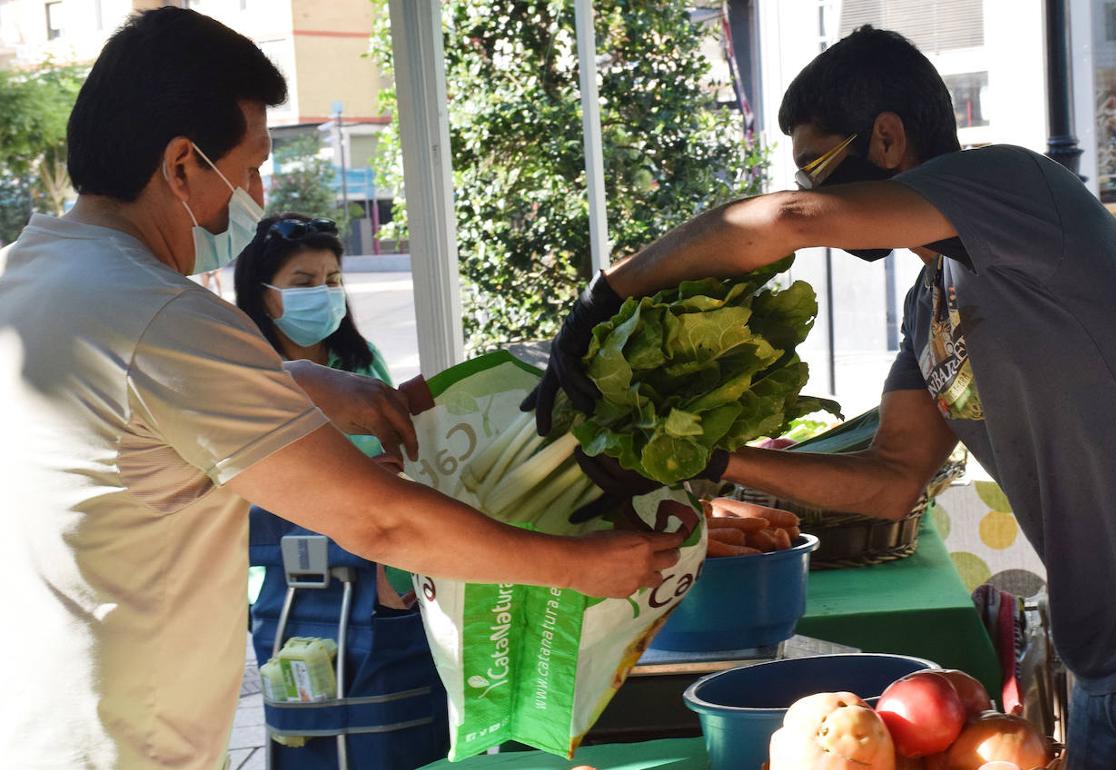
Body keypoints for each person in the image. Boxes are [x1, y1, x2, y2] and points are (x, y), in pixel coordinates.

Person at [530, 26, 1116, 769]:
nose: (808, 188)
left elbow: (787, 222)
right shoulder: (930, 303)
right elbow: (888, 482)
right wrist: (712, 458)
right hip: (1108, 661)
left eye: (816, 165)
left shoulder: (1017, 187)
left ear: (887, 138)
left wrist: (603, 299)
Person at [0, 8, 682, 769]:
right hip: (120, 746)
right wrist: (579, 567)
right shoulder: (162, 314)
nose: (254, 194)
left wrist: (296, 379)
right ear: (182, 164)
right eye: (250, 165)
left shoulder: (28, 276)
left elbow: (123, 412)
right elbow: (380, 524)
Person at [233, 212, 417, 603]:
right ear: (262, 293)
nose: (323, 291)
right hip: (287, 585)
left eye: (332, 280)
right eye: (303, 283)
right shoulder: (240, 377)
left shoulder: (363, 364)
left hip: (378, 565)